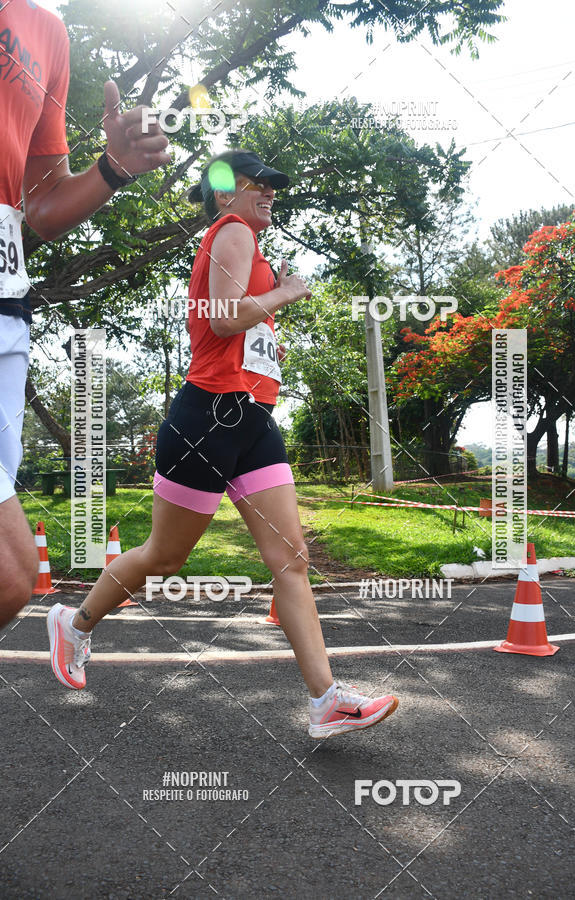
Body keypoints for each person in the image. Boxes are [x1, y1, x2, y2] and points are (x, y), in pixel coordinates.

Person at [47, 148, 399, 738]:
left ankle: (327, 700)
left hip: (253, 420)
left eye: (271, 185)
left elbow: (238, 326)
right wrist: (285, 295)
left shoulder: (249, 245)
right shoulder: (231, 230)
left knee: (291, 559)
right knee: (165, 556)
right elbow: (222, 318)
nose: (268, 192)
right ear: (223, 191)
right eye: (255, 182)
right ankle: (74, 623)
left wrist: (268, 343)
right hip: (208, 417)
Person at [0, 0, 170, 628]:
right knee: (12, 572)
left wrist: (113, 169)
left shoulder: (45, 30)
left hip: (8, 320)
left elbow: (40, 202)